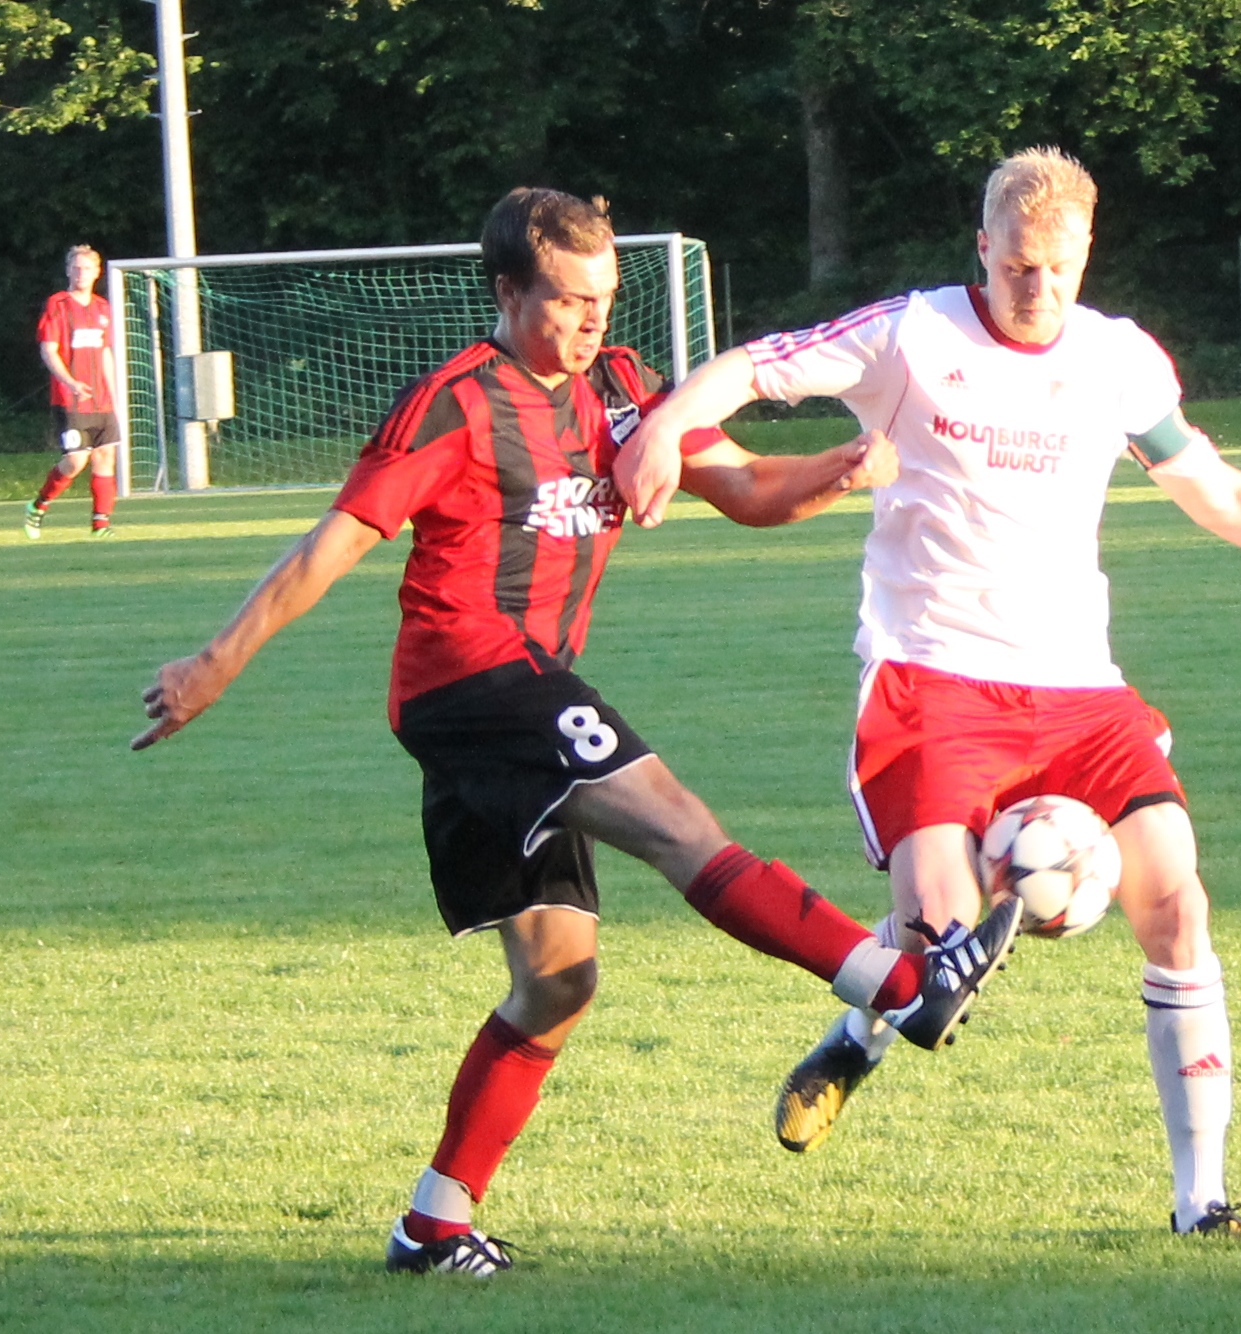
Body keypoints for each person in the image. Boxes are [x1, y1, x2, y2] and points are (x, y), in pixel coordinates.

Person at [131, 188, 1024, 1277]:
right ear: (507, 292)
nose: (592, 319)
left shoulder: (621, 386)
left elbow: (739, 485)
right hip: (469, 680)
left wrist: (838, 470)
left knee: (558, 976)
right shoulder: (456, 402)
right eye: (567, 299)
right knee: (676, 823)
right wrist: (214, 662)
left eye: (604, 296)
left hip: (515, 698)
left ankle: (431, 1223)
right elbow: (335, 541)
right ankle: (898, 982)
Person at [617, 148, 1241, 1241]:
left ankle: (1201, 1202)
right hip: (932, 679)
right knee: (938, 945)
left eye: (1059, 269)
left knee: (1175, 898)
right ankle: (859, 1035)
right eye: (1018, 266)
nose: (1037, 290)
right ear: (981, 249)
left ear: (1085, 255)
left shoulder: (1117, 359)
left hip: (1079, 687)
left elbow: (1217, 490)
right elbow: (748, 366)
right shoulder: (911, 335)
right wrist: (659, 427)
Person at [25, 244, 121, 538]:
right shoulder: (59, 304)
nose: (81, 273)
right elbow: (48, 350)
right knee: (76, 461)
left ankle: (100, 526)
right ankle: (38, 505)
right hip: (70, 399)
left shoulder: (103, 309)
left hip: (101, 400)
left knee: (105, 456)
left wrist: (114, 397)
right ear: (68, 270)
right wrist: (70, 382)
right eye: (76, 268)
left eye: (87, 268)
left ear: (97, 273)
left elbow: (105, 353)